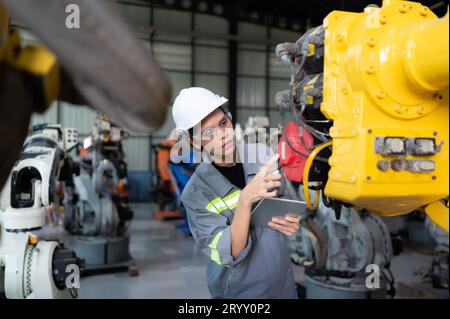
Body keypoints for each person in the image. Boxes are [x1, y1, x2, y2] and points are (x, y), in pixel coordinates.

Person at [172, 87, 301, 299]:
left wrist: (291, 219)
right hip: (240, 293)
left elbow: (284, 200)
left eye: (223, 123)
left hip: (283, 283)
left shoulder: (263, 154)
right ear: (194, 142)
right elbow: (231, 252)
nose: (223, 135)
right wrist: (244, 200)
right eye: (208, 133)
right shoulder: (196, 194)